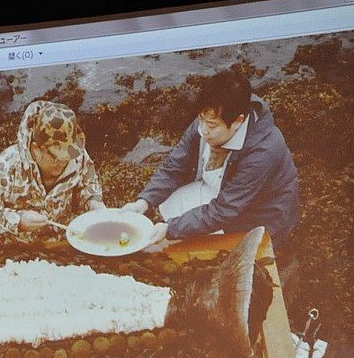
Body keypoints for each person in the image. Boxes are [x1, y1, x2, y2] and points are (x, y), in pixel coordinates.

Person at [122, 69, 300, 250]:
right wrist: (143, 202)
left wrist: (171, 228)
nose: (203, 130)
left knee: (193, 244)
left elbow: (225, 209)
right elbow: (174, 166)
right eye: (201, 120)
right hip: (223, 193)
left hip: (259, 215)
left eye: (212, 125)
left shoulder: (264, 151)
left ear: (238, 121)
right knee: (169, 206)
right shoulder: (210, 117)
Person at [0, 100, 105, 244]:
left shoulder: (77, 155)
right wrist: (18, 221)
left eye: (68, 157)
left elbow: (89, 186)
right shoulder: (7, 164)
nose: (64, 163)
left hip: (56, 244)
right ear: (36, 149)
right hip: (10, 246)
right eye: (56, 158)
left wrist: (94, 202)